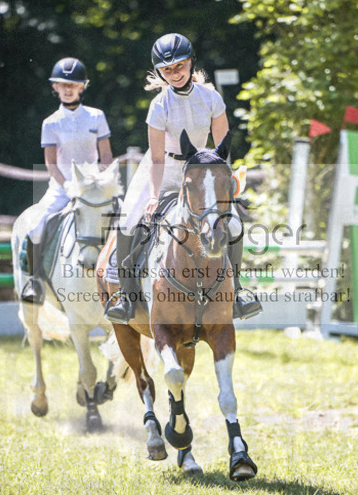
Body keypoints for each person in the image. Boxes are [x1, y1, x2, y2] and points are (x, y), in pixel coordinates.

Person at [104, 32, 261, 324]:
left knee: (234, 222)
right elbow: (157, 157)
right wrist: (153, 196)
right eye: (167, 70)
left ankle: (238, 291)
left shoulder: (211, 98)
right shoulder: (159, 106)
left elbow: (221, 148)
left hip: (201, 173)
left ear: (190, 63)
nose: (174, 74)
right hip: (162, 171)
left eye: (179, 67)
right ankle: (125, 297)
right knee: (128, 220)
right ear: (160, 72)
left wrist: (225, 184)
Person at [20, 57, 112, 304]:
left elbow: (106, 156)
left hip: (94, 187)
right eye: (63, 84)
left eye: (74, 84)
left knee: (124, 220)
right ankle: (34, 281)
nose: (68, 89)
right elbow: (51, 162)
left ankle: (123, 279)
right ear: (55, 87)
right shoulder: (50, 123)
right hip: (63, 188)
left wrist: (98, 180)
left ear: (83, 86)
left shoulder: (96, 116)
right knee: (36, 226)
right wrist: (68, 186)